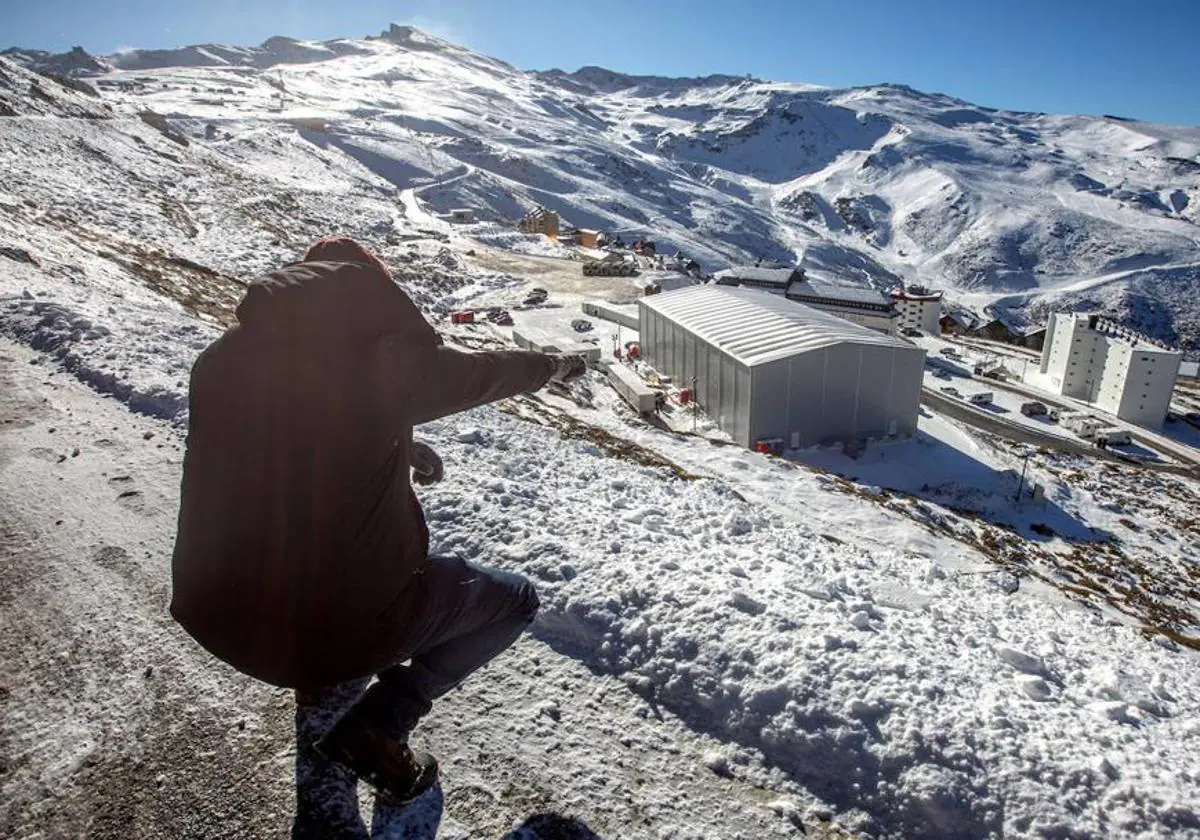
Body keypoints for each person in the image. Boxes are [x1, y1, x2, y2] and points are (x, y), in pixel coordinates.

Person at [169, 236, 586, 839]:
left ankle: (324, 796)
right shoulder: (375, 365)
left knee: (323, 606)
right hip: (331, 623)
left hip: (223, 615)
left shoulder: (221, 359)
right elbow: (483, 375)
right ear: (365, 293)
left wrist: (398, 445)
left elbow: (284, 438)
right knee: (512, 601)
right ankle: (383, 722)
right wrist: (555, 364)